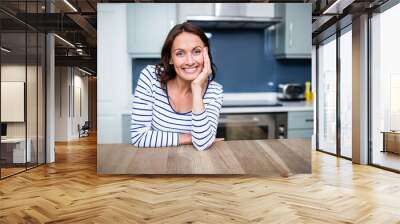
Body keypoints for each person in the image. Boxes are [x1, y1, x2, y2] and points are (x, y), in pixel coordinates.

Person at [130, 22, 223, 151]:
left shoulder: (214, 91)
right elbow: (139, 137)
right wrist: (189, 138)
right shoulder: (150, 77)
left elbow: (202, 144)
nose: (190, 61)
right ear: (170, 58)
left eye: (196, 52)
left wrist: (196, 88)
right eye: (180, 53)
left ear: (205, 55)